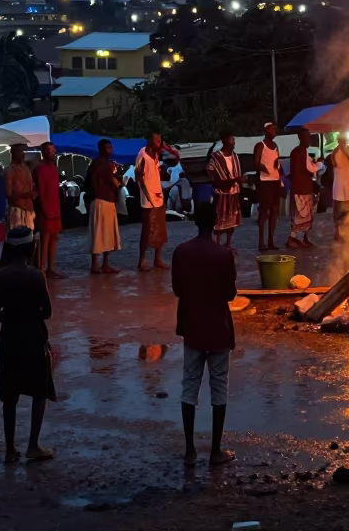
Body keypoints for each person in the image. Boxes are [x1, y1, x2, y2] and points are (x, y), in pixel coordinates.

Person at [171, 201, 236, 467]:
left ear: (195, 221)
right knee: (219, 388)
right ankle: (215, 451)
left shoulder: (181, 252)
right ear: (216, 223)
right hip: (218, 327)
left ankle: (190, 450)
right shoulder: (224, 254)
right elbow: (230, 294)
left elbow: (177, 290)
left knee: (189, 386)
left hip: (192, 326)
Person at [0, 226, 55, 463]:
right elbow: (47, 311)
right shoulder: (36, 276)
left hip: (9, 339)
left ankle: (10, 448)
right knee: (39, 391)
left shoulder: (0, 276)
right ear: (32, 248)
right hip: (34, 337)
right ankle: (33, 445)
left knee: (10, 396)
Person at [136, 133, 178, 270]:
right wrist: (147, 196)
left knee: (160, 229)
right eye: (157, 141)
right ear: (150, 141)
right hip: (148, 200)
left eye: (160, 140)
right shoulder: (142, 154)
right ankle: (142, 261)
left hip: (158, 197)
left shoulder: (155, 155)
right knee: (147, 230)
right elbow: (139, 177)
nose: (160, 143)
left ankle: (157, 259)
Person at [86, 139, 123, 274]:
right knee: (98, 232)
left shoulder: (107, 164)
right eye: (107, 147)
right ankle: (95, 264)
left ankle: (105, 263)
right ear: (101, 149)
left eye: (110, 147)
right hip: (100, 200)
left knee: (108, 233)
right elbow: (110, 181)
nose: (110, 150)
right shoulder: (99, 164)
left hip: (108, 200)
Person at [34, 142, 65, 278]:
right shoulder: (40, 168)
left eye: (53, 150)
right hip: (45, 208)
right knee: (45, 238)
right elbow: (41, 189)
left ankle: (50, 267)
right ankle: (42, 267)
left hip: (55, 206)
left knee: (54, 237)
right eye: (49, 150)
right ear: (44, 152)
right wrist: (44, 208)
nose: (52, 153)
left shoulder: (53, 167)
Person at [286, 130, 321, 248]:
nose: (309, 140)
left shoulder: (301, 151)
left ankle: (304, 239)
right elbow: (309, 169)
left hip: (304, 188)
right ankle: (293, 239)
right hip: (301, 189)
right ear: (301, 138)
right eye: (307, 137)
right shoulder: (299, 152)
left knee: (306, 216)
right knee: (300, 215)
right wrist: (319, 165)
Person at [207, 133, 242, 247]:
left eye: (234, 140)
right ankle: (217, 244)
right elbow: (210, 171)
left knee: (232, 220)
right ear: (224, 142)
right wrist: (218, 182)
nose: (233, 143)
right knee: (220, 220)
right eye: (231, 140)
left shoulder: (235, 156)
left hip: (234, 192)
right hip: (221, 192)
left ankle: (228, 243)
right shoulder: (216, 157)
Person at [254, 122, 282, 251]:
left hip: (275, 180)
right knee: (264, 211)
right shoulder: (260, 145)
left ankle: (271, 241)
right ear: (265, 131)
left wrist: (277, 165)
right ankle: (261, 242)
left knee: (274, 210)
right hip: (265, 181)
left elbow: (277, 162)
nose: (274, 132)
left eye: (274, 129)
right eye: (271, 129)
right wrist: (263, 168)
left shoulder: (275, 146)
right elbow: (256, 163)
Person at [331, 136, 349, 241]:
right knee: (339, 207)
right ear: (339, 141)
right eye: (342, 140)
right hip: (341, 181)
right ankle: (337, 231)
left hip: (346, 181)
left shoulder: (343, 150)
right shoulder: (338, 151)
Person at [5, 144, 36, 231]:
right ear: (13, 153)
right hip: (17, 211)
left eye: (23, 151)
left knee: (29, 237)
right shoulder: (10, 170)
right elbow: (9, 195)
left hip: (29, 210)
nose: (23, 154)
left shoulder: (26, 169)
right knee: (18, 237)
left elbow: (31, 187)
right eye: (20, 151)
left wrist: (33, 193)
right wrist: (26, 195)